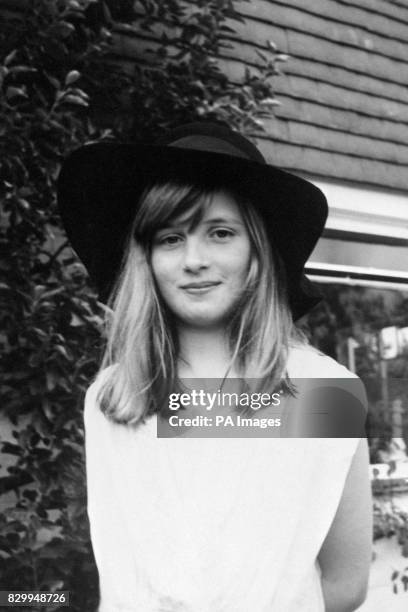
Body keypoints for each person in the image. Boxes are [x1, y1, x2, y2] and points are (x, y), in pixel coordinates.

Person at [57, 123, 372, 612]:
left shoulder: (319, 392)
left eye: (220, 233)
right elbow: (119, 577)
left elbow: (345, 585)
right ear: (147, 258)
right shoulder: (116, 398)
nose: (194, 260)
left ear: (257, 251)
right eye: (170, 238)